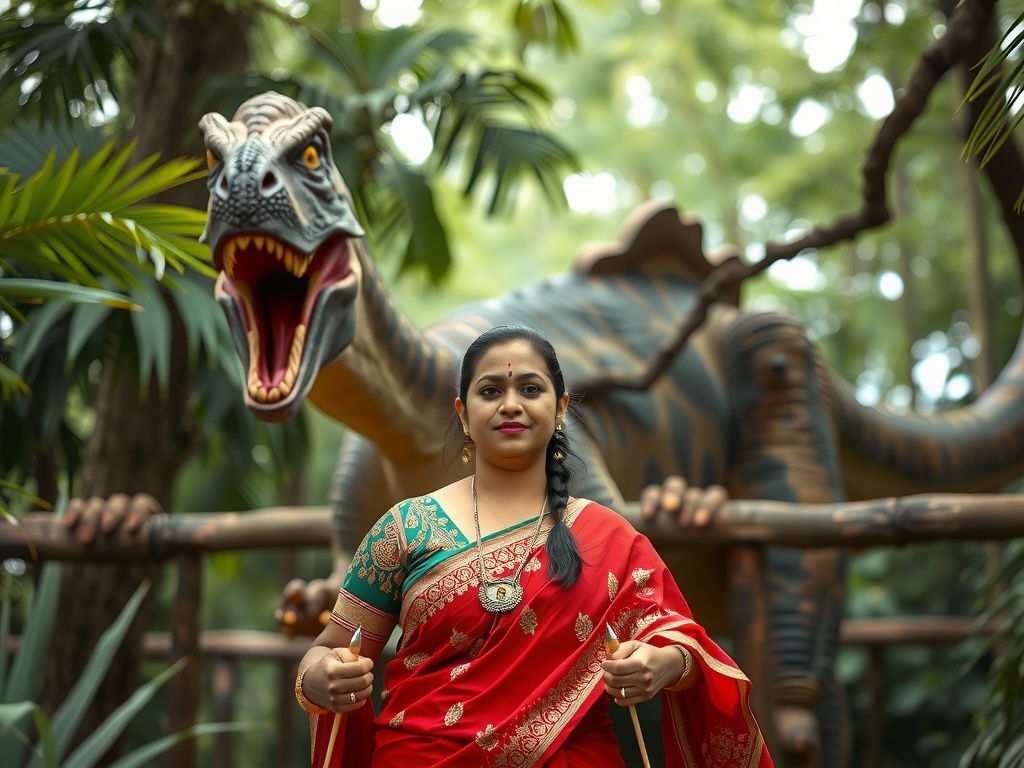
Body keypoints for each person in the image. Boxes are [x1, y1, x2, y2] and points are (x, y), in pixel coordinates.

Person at [295, 325, 774, 767]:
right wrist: (321, 679)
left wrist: (663, 664)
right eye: (490, 391)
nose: (510, 404)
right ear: (463, 413)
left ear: (561, 407)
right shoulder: (404, 529)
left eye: (529, 388)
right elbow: (330, 649)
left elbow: (683, 642)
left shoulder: (608, 536)